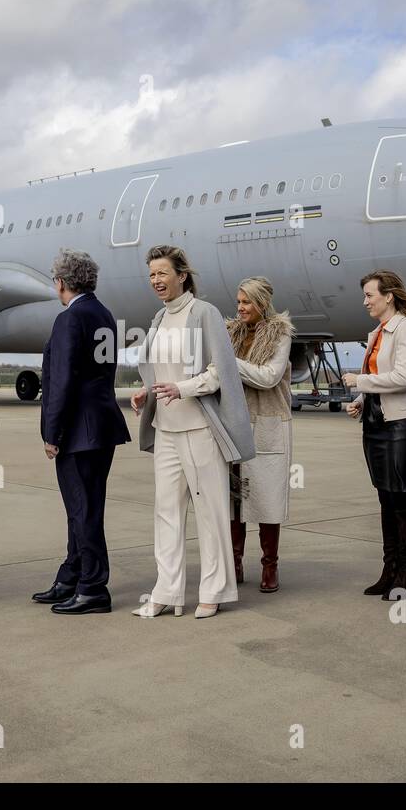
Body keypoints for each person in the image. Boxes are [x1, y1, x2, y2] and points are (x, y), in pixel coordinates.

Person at [130, 246, 255, 619]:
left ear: (182, 275)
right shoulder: (157, 319)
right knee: (166, 513)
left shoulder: (204, 314)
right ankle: (166, 591)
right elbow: (157, 369)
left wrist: (182, 388)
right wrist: (146, 389)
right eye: (152, 274)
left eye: (163, 273)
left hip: (199, 428)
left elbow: (221, 371)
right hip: (165, 428)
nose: (156, 281)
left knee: (210, 511)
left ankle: (214, 590)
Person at [32, 249, 132, 615]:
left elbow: (61, 380)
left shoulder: (70, 318)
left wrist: (51, 432)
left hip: (78, 430)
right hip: (102, 424)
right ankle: (72, 575)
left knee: (83, 510)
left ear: (61, 282)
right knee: (84, 507)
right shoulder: (103, 314)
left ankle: (93, 587)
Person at [342, 270, 406, 599]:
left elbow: (405, 378)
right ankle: (389, 568)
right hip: (377, 422)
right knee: (385, 496)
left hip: (401, 424)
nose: (365, 301)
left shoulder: (405, 329)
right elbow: (380, 377)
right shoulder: (377, 332)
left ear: (388, 296)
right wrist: (361, 400)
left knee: (400, 498)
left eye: (370, 295)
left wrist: (359, 381)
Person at [227, 277, 293, 593]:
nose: (240, 308)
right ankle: (234, 563)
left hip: (268, 424)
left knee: (267, 498)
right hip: (236, 425)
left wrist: (230, 365)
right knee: (233, 500)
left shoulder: (280, 335)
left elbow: (268, 378)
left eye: (246, 302)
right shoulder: (231, 335)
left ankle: (270, 565)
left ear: (261, 303)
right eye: (238, 302)